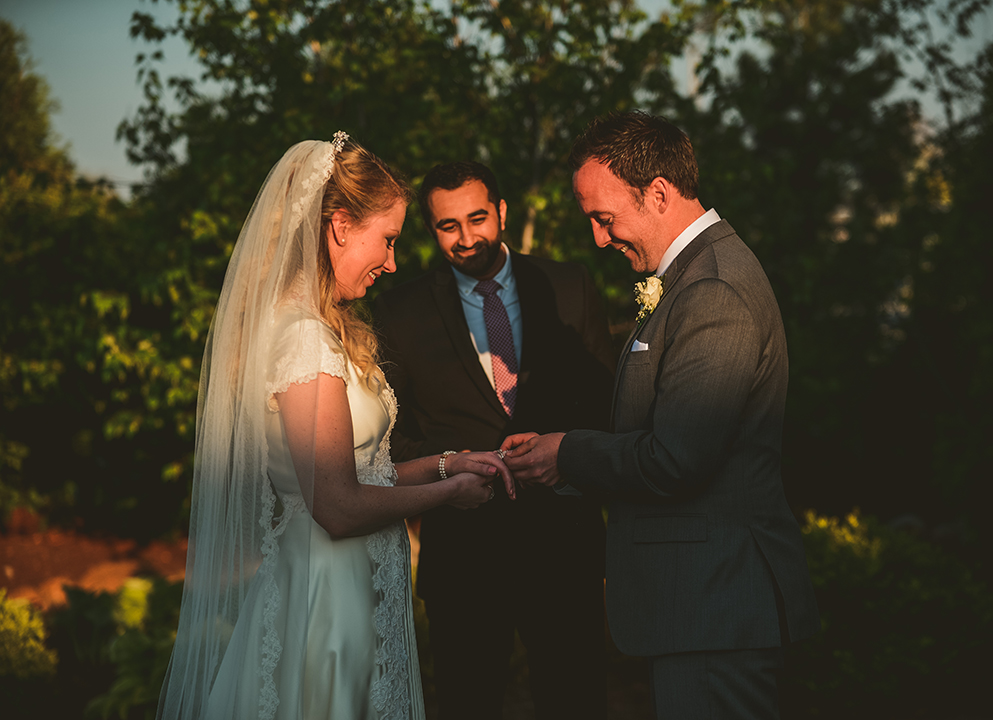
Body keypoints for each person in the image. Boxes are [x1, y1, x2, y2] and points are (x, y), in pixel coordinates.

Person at [156, 134, 514, 720]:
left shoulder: (321, 330)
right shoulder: (302, 340)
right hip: (326, 595)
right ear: (341, 226)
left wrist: (450, 462)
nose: (393, 262)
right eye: (388, 240)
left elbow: (358, 473)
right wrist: (450, 494)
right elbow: (337, 505)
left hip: (350, 581)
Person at [502, 111, 820, 719]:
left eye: (604, 217)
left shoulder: (714, 291)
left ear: (658, 193)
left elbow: (677, 460)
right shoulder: (694, 279)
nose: (598, 238)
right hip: (701, 606)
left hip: (717, 606)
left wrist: (566, 452)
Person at [372, 161, 614, 720]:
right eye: (446, 226)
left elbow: (609, 403)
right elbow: (388, 435)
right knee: (467, 703)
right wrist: (450, 467)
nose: (465, 237)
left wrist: (563, 445)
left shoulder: (569, 284)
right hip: (464, 559)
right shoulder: (399, 310)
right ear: (431, 230)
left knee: (577, 702)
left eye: (477, 218)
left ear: (502, 213)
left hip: (564, 548)